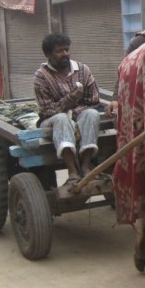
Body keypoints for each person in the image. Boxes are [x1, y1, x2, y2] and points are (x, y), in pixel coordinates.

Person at [34, 32, 101, 191]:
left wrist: (74, 110)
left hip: (79, 115)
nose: (65, 54)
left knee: (92, 114)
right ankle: (72, 170)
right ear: (49, 54)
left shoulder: (83, 70)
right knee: (62, 119)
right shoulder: (41, 76)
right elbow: (46, 109)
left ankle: (85, 166)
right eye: (59, 51)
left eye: (66, 50)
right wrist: (69, 100)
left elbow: (93, 101)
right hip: (51, 121)